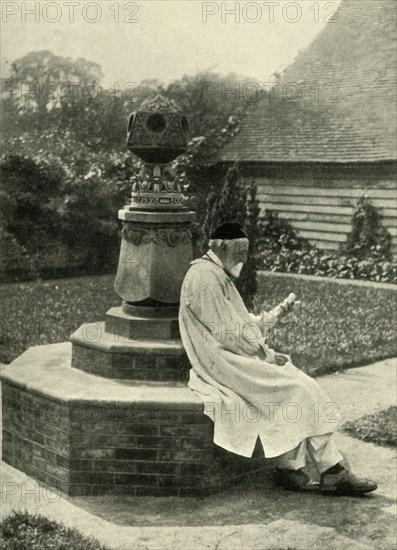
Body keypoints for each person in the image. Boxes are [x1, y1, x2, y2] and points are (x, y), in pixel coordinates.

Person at [179, 222, 377, 495]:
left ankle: (292, 468)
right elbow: (231, 336)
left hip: (232, 357)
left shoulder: (216, 274)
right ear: (221, 247)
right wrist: (266, 356)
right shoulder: (203, 277)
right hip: (222, 364)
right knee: (298, 388)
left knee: (297, 384)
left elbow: (241, 325)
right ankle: (329, 471)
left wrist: (275, 316)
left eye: (247, 251)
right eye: (240, 250)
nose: (244, 258)